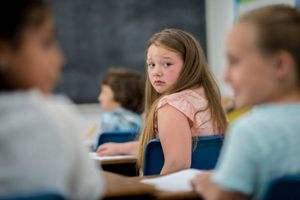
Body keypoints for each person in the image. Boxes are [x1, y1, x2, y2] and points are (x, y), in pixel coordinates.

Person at [191, 5, 300, 200]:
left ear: (280, 65)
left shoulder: (250, 131)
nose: (225, 76)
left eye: (234, 61)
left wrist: (210, 187)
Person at [0, 0, 104, 199]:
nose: (60, 58)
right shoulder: (57, 115)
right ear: (3, 51)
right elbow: (89, 190)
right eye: (46, 43)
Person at [97, 28, 227, 175]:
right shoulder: (205, 99)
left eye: (167, 64)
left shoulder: (171, 106)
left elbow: (178, 164)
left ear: (189, 65)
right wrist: (121, 148)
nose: (156, 72)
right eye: (151, 65)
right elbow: (168, 146)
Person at [88, 68, 145, 149]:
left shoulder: (108, 118)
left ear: (121, 96)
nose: (100, 98)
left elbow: (99, 148)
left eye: (105, 92)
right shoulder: (139, 121)